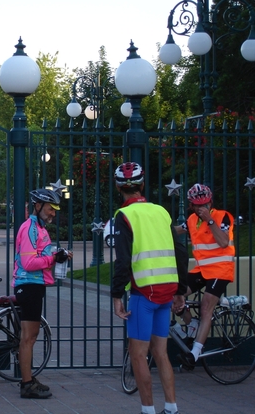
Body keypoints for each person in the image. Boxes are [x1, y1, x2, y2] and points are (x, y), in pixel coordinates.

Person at [111, 162, 188, 414]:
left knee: (138, 354)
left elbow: (122, 261)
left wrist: (116, 295)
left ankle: (148, 410)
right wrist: (180, 290)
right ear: (142, 185)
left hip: (144, 293)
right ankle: (172, 407)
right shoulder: (161, 212)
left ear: (118, 187)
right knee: (161, 352)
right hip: (167, 291)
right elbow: (180, 251)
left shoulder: (124, 216)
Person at [12, 187, 72, 399]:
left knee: (31, 336)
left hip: (34, 285)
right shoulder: (30, 228)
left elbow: (39, 255)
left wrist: (57, 255)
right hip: (28, 284)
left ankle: (28, 379)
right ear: (37, 206)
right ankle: (26, 384)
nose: (53, 213)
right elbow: (29, 263)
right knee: (28, 338)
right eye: (50, 209)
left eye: (55, 209)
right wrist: (53, 259)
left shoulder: (40, 228)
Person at [174, 183, 235, 370]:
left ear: (211, 202)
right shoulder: (192, 219)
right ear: (191, 205)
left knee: (206, 305)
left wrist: (210, 220)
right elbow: (176, 231)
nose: (202, 209)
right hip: (202, 270)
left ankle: (195, 353)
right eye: (197, 205)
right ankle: (191, 324)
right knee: (174, 295)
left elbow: (224, 242)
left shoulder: (222, 216)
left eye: (205, 204)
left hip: (221, 269)